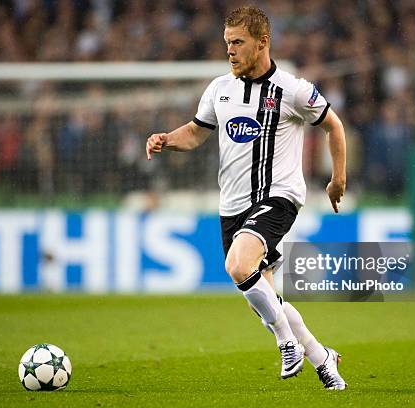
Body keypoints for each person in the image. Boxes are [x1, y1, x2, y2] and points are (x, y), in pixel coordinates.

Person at [146, 6, 347, 391]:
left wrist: (338, 178)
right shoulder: (220, 89)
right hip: (232, 207)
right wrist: (166, 139)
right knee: (266, 295)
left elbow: (333, 125)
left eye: (238, 43)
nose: (231, 51)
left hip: (278, 198)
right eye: (227, 44)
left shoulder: (292, 90)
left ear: (262, 43)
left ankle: (286, 344)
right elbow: (195, 132)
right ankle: (323, 358)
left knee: (237, 266)